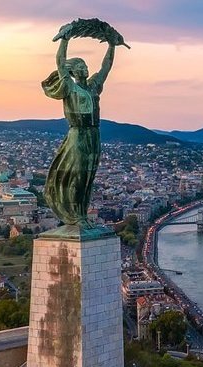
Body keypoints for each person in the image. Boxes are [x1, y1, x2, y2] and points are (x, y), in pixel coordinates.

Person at [40, 26, 118, 227]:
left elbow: (106, 68)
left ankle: (82, 214)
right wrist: (64, 40)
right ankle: (75, 216)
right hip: (78, 134)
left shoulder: (93, 86)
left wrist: (111, 45)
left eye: (85, 65)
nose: (85, 68)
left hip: (94, 133)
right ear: (72, 71)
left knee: (88, 176)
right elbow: (60, 63)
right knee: (78, 174)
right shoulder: (68, 86)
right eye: (81, 66)